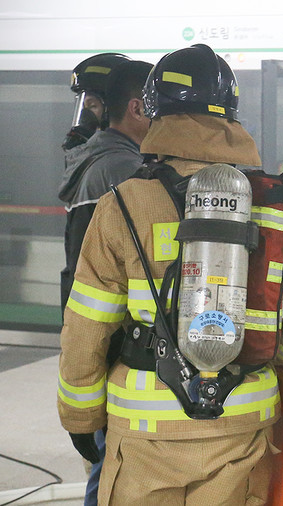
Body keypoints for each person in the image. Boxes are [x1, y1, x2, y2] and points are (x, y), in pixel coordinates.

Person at [57, 43, 283, 504]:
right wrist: (265, 349)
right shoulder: (276, 207)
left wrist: (81, 417)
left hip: (145, 428)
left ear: (155, 114)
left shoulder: (123, 204)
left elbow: (87, 327)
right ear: (229, 117)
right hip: (241, 422)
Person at [57, 57, 153, 506]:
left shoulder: (101, 162)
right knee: (111, 469)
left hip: (98, 339)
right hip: (115, 343)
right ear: (136, 108)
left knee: (106, 463)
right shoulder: (123, 171)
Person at [61, 53, 131, 151]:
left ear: (115, 108)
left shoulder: (125, 161)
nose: (84, 117)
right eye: (82, 107)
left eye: (92, 106)